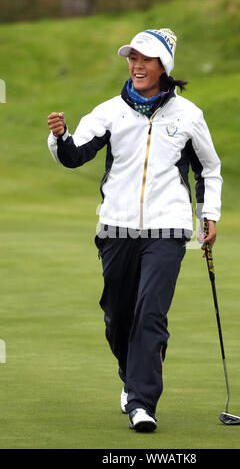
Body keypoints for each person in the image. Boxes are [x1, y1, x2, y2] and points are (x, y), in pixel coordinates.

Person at [47, 28, 222, 433]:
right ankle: (132, 376)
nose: (137, 65)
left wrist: (207, 213)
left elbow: (208, 169)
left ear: (164, 66)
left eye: (146, 59)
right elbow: (75, 156)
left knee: (151, 314)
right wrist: (59, 138)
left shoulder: (188, 116)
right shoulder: (110, 111)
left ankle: (142, 402)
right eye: (132, 58)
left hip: (168, 229)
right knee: (118, 316)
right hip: (116, 229)